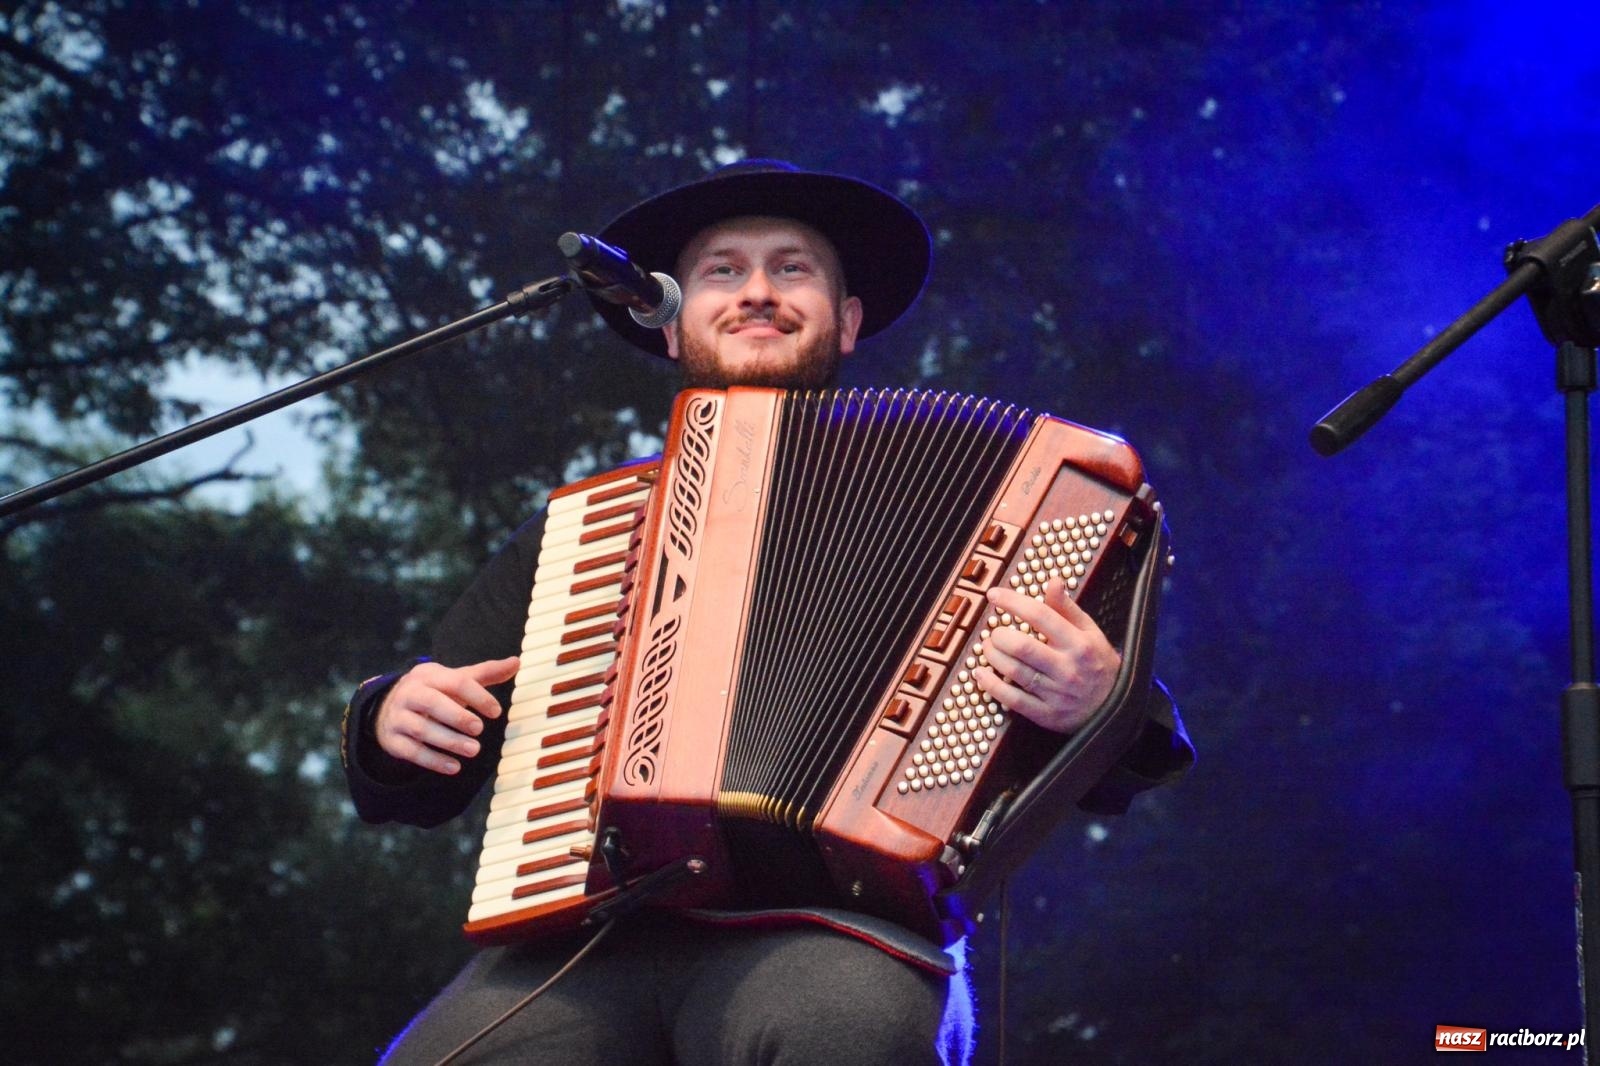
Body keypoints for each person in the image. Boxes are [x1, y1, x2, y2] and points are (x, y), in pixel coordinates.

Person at [341, 159, 1193, 1065]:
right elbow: (434, 752)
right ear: (669, 323)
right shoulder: (582, 536)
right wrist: (391, 717)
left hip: (841, 922)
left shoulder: (1000, 500)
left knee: (842, 1032)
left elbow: (1129, 758)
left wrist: (1101, 702)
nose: (757, 292)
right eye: (721, 270)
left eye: (792, 269)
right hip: (596, 933)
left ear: (847, 320)